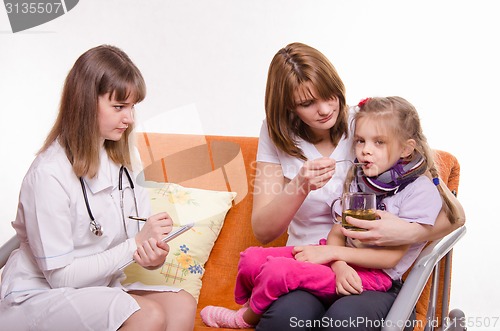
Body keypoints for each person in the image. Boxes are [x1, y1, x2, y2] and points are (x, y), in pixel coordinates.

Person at [207, 42, 464, 331]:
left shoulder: (365, 125)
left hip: (367, 265)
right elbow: (264, 231)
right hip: (308, 260)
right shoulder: (275, 133)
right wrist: (301, 186)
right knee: (285, 319)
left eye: (330, 96)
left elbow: (452, 212)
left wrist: (407, 231)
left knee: (345, 320)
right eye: (307, 103)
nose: (325, 109)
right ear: (288, 107)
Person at [0, 45, 196, 331]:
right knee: (148, 314)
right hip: (38, 295)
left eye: (131, 107)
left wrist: (152, 255)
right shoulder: (48, 174)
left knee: (182, 303)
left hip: (95, 290)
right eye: (118, 107)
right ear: (85, 103)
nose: (128, 118)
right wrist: (135, 245)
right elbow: (62, 278)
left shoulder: (124, 164)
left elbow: (137, 243)